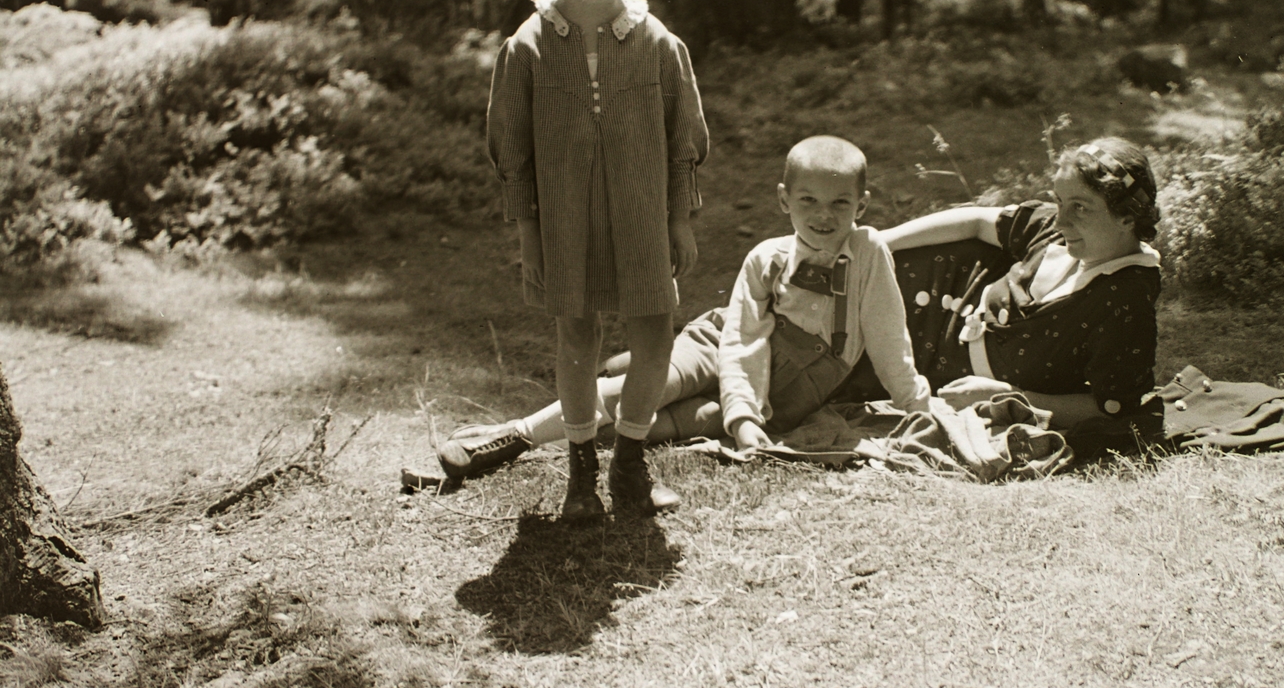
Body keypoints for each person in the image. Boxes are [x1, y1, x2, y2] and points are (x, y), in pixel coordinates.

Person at [457, 0, 709, 520]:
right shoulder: (529, 47)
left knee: (654, 333)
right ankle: (580, 472)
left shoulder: (657, 43)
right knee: (577, 334)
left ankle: (629, 464)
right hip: (566, 219)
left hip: (641, 215)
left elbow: (682, 140)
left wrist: (678, 219)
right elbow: (514, 153)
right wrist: (530, 236)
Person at [441, 136, 930, 476]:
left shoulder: (868, 253)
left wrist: (916, 406)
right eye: (808, 200)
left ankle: (563, 449)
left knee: (672, 425)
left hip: (789, 390)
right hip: (723, 343)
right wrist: (744, 414)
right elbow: (742, 340)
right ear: (784, 200)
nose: (823, 216)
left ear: (861, 206)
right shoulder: (767, 258)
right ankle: (515, 436)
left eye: (840, 203)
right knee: (648, 387)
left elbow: (889, 335)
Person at [858, 136, 1163, 452]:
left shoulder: (1125, 300)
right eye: (1060, 201)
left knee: (841, 362)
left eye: (1080, 207)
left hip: (929, 364)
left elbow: (1109, 408)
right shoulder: (1054, 231)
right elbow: (977, 222)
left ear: (1127, 218)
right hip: (931, 287)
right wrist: (880, 241)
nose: (1061, 220)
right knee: (842, 281)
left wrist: (1010, 396)